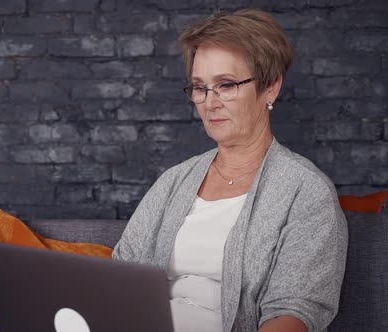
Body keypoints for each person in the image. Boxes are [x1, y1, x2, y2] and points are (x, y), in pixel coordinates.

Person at [112, 9, 348, 332]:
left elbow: (292, 314)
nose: (210, 102)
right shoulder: (173, 182)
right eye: (200, 87)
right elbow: (116, 279)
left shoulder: (306, 193)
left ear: (270, 88)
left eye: (226, 85)